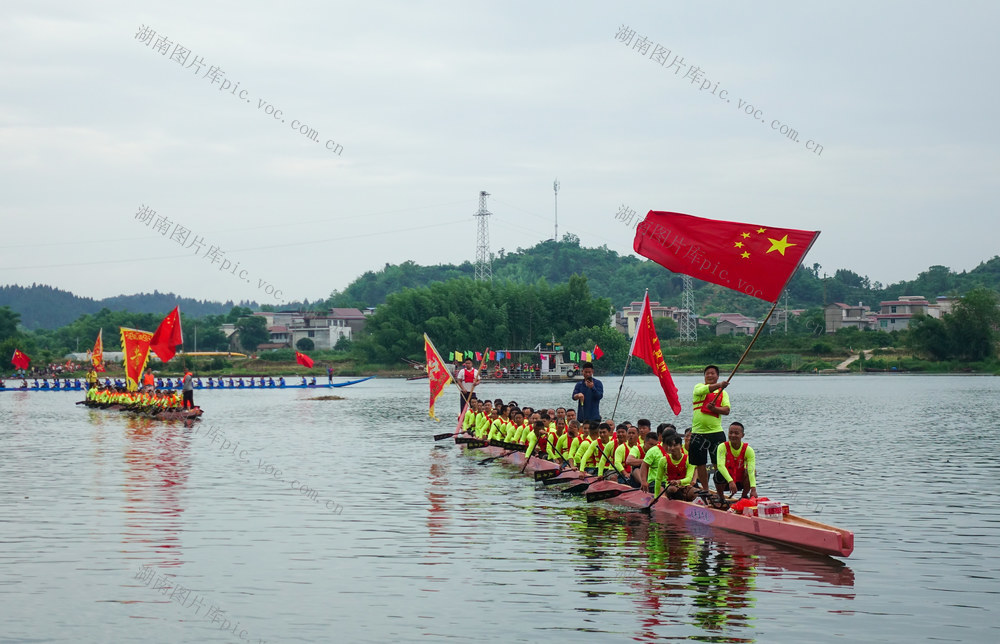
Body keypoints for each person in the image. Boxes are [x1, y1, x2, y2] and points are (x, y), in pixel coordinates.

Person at [690, 365, 731, 492]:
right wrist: (720, 385)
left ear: (717, 376)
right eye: (707, 373)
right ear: (704, 376)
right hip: (698, 433)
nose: (710, 375)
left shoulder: (723, 393)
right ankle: (705, 490)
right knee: (700, 464)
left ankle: (720, 491)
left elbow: (726, 410)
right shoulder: (699, 387)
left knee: (718, 464)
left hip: (716, 432)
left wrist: (714, 409)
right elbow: (704, 390)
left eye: (713, 373)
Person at [714, 422, 757, 504]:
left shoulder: (749, 450)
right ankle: (721, 498)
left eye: (736, 433)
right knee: (718, 473)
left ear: (742, 435)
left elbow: (751, 470)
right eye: (730, 433)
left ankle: (743, 497)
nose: (733, 435)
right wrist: (730, 481)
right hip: (726, 482)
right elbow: (720, 466)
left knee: (752, 471)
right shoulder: (722, 447)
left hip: (740, 482)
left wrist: (753, 489)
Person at [660, 434, 697, 501]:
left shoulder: (688, 459)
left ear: (681, 446)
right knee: (672, 489)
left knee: (695, 492)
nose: (672, 448)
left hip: (684, 486)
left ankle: (685, 499)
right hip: (670, 487)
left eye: (675, 445)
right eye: (670, 446)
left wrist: (678, 482)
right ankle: (682, 500)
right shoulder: (663, 460)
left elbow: (689, 478)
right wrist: (656, 496)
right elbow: (658, 479)